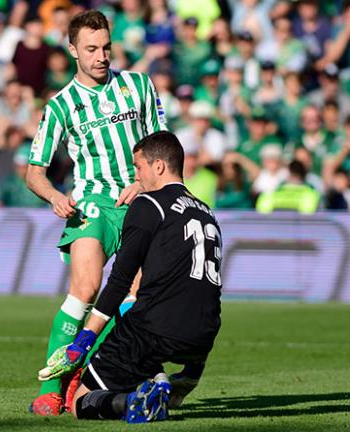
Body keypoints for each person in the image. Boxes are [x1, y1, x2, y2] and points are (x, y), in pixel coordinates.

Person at [25, 10, 167, 416]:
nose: (101, 56)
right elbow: (34, 173)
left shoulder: (139, 85)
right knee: (86, 289)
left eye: (106, 47)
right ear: (73, 50)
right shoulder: (60, 106)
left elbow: (162, 143)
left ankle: (90, 377)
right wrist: (53, 196)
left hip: (139, 202)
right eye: (91, 49)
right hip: (91, 203)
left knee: (134, 297)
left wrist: (143, 183)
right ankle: (52, 387)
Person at [37, 131, 222, 423]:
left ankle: (135, 402)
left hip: (154, 331)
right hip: (203, 333)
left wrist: (85, 340)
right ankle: (171, 379)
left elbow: (121, 280)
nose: (136, 175)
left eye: (138, 167)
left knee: (80, 402)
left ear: (158, 166)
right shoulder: (206, 212)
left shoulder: (148, 204)